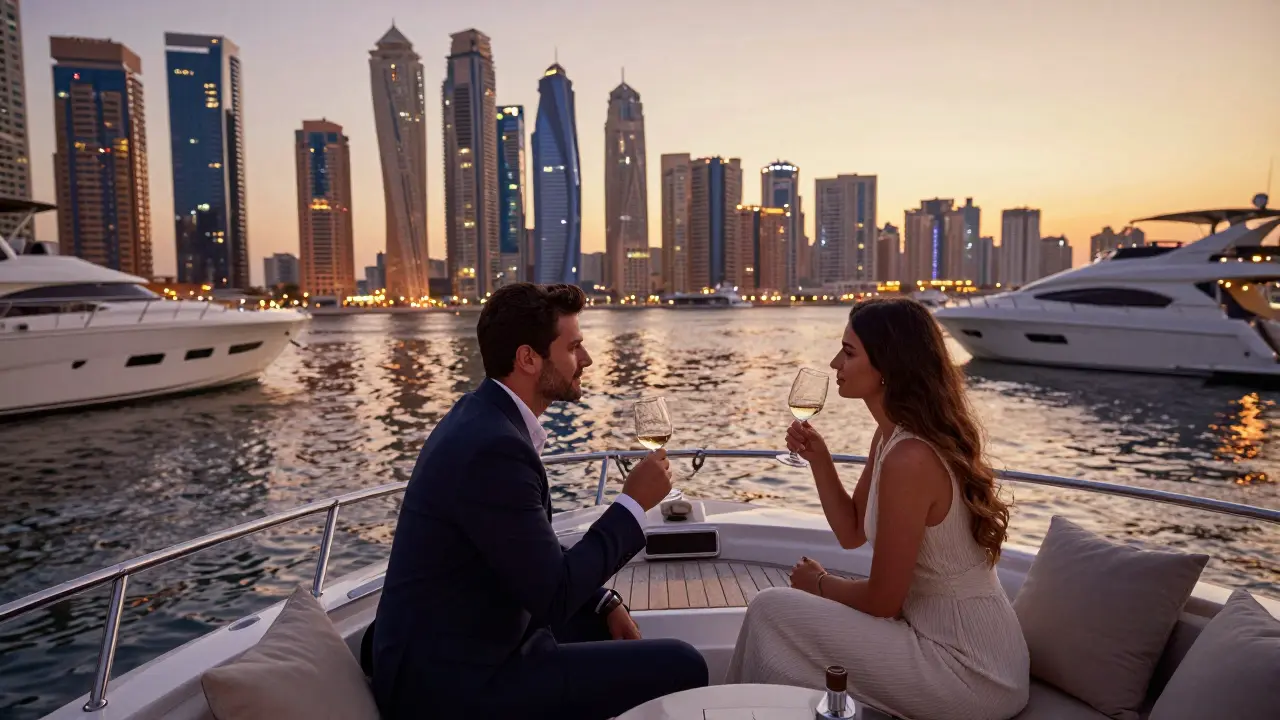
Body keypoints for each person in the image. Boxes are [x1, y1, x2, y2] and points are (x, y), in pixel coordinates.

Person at [371, 283, 708, 719]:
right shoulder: (493, 448)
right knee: (682, 665)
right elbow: (554, 595)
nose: (585, 360)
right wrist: (632, 504)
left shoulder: (480, 417)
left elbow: (526, 552)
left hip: (464, 638)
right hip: (454, 685)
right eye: (574, 347)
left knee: (607, 627)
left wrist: (602, 601)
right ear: (528, 358)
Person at [724, 297, 1030, 720]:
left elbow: (884, 600)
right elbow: (852, 533)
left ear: (888, 366)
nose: (835, 364)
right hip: (937, 636)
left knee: (770, 610)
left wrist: (819, 583)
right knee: (778, 616)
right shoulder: (890, 439)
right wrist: (821, 461)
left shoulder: (911, 458)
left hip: (971, 667)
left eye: (848, 353)